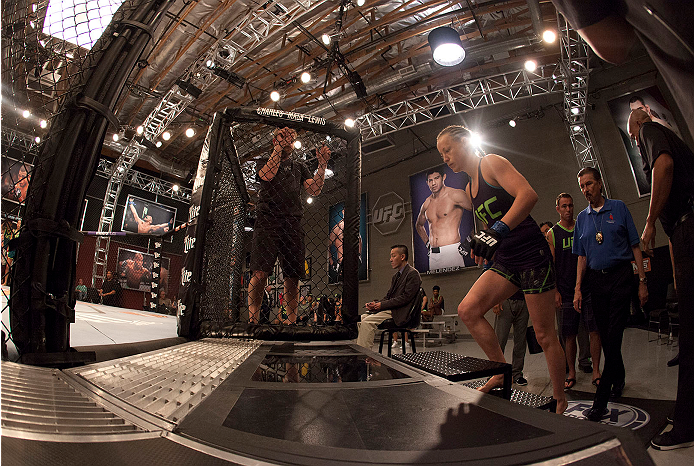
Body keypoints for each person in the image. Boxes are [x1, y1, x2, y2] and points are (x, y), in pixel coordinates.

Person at [437, 125, 567, 413]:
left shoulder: (491, 163)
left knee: (545, 335)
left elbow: (528, 195)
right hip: (506, 260)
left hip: (532, 255)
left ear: (464, 142)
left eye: (447, 149)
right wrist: (481, 245)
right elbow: (489, 230)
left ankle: (559, 398)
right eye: (441, 153)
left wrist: (498, 229)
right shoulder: (470, 189)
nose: (445, 157)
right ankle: (500, 370)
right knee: (468, 310)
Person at [628, 109, 694, 450]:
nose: (637, 146)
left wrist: (650, 220)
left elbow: (663, 166)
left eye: (633, 137)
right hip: (683, 232)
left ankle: (687, 425)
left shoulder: (649, 130)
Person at [550, 0, 694, 142]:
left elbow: (613, 47)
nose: (636, 142)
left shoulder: (650, 131)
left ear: (647, 109)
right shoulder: (663, 128)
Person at [572, 167, 648, 422]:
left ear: (600, 183)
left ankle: (600, 399)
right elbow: (581, 257)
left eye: (590, 184)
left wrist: (642, 281)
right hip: (596, 280)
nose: (586, 189)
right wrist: (578, 289)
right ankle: (620, 377)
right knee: (606, 337)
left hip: (620, 276)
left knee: (613, 335)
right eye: (582, 186)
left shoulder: (619, 208)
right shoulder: (582, 219)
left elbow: (635, 245)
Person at [248, 127, 330, 324]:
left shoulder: (299, 166)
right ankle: (253, 318)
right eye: (284, 137)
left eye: (292, 139)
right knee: (260, 272)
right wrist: (278, 148)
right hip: (267, 220)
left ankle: (291, 320)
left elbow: (315, 189)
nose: (288, 141)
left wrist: (322, 165)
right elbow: (267, 175)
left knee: (292, 275)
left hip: (292, 221)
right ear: (274, 140)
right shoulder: (263, 161)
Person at [547, 193, 602, 390]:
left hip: (588, 288)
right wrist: (555, 291)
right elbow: (551, 265)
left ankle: (596, 370)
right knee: (568, 335)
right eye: (564, 206)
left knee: (594, 331)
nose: (568, 210)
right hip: (566, 292)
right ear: (558, 209)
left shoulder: (582, 225)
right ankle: (571, 372)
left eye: (570, 206)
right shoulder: (552, 233)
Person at [357, 245, 422, 348]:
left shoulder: (412, 274)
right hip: (393, 309)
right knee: (362, 318)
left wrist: (382, 305)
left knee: (367, 322)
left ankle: (364, 357)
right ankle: (363, 350)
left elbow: (405, 298)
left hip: (402, 312)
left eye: (393, 256)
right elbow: (389, 296)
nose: (390, 259)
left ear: (402, 257)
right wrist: (375, 304)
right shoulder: (396, 276)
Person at [415, 166, 473, 272]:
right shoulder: (426, 203)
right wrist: (427, 243)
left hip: (452, 250)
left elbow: (479, 213)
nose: (433, 183)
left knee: (458, 284)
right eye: (430, 180)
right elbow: (419, 225)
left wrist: (469, 240)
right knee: (436, 285)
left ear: (443, 177)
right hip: (433, 254)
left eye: (436, 178)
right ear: (427, 182)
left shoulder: (455, 195)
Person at [493, 289, 529, 386]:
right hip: (505, 301)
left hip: (523, 300)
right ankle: (496, 373)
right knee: (500, 341)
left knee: (520, 340)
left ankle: (517, 374)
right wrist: (496, 300)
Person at [328, 206, 362, 283]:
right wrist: (332, 262)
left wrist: (359, 256)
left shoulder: (354, 227)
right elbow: (328, 245)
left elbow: (359, 241)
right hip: (341, 264)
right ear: (343, 212)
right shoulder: (337, 228)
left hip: (353, 263)